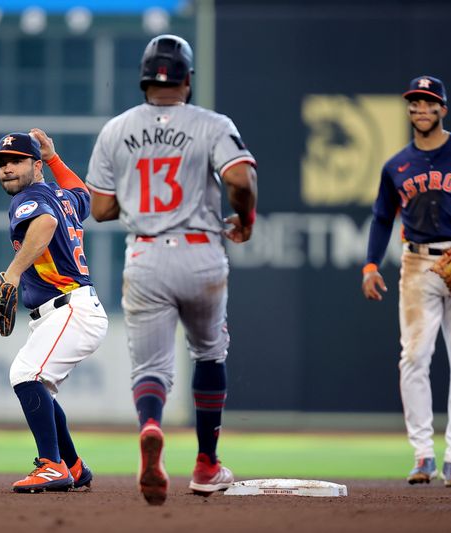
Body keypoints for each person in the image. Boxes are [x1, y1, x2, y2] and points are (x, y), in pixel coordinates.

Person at [85, 34, 258, 505]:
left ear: (143, 78)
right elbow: (240, 177)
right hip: (200, 250)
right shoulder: (211, 123)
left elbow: (99, 209)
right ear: (188, 78)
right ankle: (206, 465)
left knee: (152, 369)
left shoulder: (116, 129)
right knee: (209, 353)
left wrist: (137, 198)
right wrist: (245, 219)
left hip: (145, 255)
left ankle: (152, 425)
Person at [361, 76, 451, 488]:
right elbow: (383, 217)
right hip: (417, 264)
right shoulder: (396, 165)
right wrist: (371, 265)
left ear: (443, 108)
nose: (421, 110)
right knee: (414, 357)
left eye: (429, 103)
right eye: (415, 104)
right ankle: (423, 455)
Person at [0, 129, 108, 493]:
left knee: (24, 374)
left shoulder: (30, 198)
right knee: (39, 387)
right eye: (2, 163)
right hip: (72, 309)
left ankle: (51, 466)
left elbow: (46, 224)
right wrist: (54, 157)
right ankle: (74, 467)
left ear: (34, 166)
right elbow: (85, 196)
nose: (7, 169)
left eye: (16, 161)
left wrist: (12, 274)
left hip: (70, 307)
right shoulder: (60, 195)